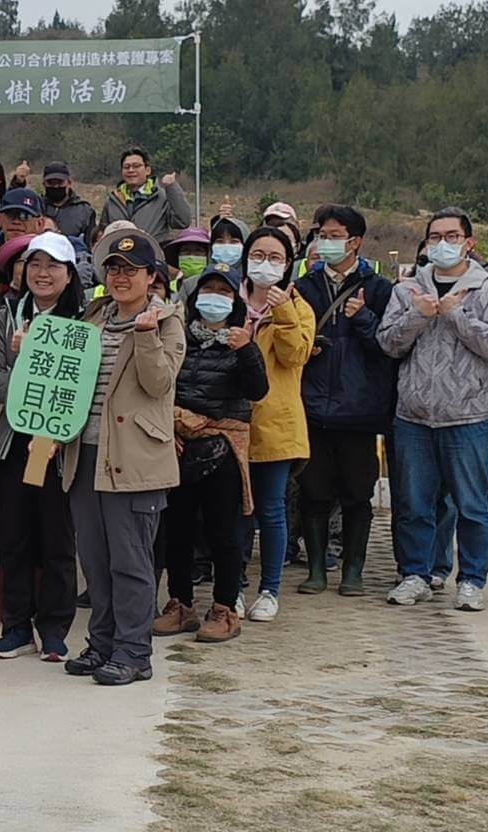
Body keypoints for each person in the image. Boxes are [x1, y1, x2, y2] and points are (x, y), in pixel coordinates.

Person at [59, 231, 183, 684]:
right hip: (86, 454)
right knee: (94, 561)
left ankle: (134, 653)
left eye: (132, 269)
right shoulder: (93, 318)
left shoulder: (168, 323)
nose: (121, 277)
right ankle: (103, 643)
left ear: (153, 276)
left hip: (135, 461)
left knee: (130, 562)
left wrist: (146, 336)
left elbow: (158, 383)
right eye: (113, 268)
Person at [378, 207, 488, 611]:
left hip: (467, 417)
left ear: (469, 242)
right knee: (414, 504)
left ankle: (471, 579)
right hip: (414, 416)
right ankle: (415, 573)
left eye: (451, 236)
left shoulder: (486, 288)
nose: (442, 244)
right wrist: (419, 315)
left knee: (472, 505)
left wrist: (455, 314)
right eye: (434, 237)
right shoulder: (407, 289)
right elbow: (388, 342)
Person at [0, 232, 86, 660]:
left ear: (68, 274)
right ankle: (16, 626)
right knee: (14, 536)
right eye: (34, 265)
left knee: (58, 539)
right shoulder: (5, 314)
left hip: (60, 445)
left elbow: (82, 383)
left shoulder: (82, 321)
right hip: (10, 442)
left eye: (53, 266)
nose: (42, 274)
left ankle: (55, 628)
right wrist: (25, 367)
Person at [158, 262, 267, 644]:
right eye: (208, 291)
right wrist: (169, 429)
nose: (214, 299)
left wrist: (248, 349)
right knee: (178, 529)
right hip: (181, 445)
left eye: (223, 292)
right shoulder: (180, 337)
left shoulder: (240, 341)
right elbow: (163, 386)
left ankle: (224, 607)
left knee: (224, 532)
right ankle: (180, 603)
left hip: (223, 447)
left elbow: (257, 391)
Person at [291, 205, 396, 595]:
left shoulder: (380, 289)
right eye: (322, 234)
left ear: (355, 241)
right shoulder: (304, 287)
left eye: (334, 235)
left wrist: (364, 318)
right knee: (314, 493)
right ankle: (317, 568)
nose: (326, 242)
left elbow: (390, 345)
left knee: (357, 494)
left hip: (360, 411)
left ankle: (354, 570)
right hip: (314, 408)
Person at [238, 227, 314, 621]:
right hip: (230, 423)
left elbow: (295, 355)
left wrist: (281, 311)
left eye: (275, 257)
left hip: (275, 425)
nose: (265, 263)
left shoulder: (298, 306)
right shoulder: (226, 298)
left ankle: (269, 589)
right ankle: (231, 587)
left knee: (270, 510)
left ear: (288, 264)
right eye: (258, 254)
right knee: (235, 512)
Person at [103, 147, 192, 239]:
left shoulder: (162, 197)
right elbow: (102, 232)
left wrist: (172, 188)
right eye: (126, 167)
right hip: (120, 252)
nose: (131, 170)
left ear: (147, 170)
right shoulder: (113, 200)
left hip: (154, 251)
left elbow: (182, 222)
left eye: (136, 166)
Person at [41, 162, 96, 244]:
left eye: (60, 182)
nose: (56, 186)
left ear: (69, 183)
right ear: (44, 184)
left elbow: (91, 244)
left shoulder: (85, 211)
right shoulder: (37, 207)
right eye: (51, 183)